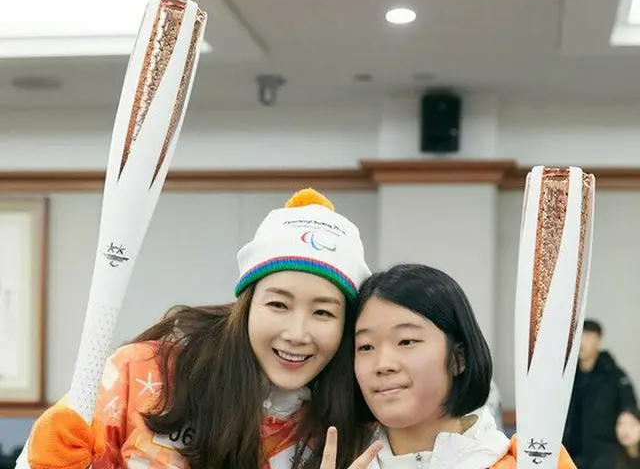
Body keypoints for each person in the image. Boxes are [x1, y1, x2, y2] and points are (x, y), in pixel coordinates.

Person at [23, 188, 377, 469]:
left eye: (322, 312)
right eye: (278, 305)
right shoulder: (146, 375)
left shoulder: (359, 421)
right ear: (246, 305)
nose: (297, 333)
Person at [351, 263, 575, 468]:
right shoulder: (340, 459)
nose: (383, 365)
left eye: (406, 341)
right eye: (366, 346)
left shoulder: (529, 463)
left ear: (459, 358)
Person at [563, 319, 638, 468]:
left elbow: (629, 411)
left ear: (598, 339)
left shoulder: (614, 375)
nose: (582, 342)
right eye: (579, 336)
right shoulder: (567, 375)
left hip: (605, 455)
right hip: (569, 451)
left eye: (588, 336)